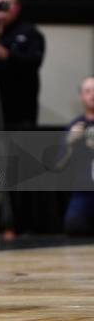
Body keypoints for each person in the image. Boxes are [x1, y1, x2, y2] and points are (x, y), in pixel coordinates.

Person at [0, 0, 45, 129]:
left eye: (6, 3)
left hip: (21, 104)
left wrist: (7, 55)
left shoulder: (29, 32)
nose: (1, 7)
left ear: (17, 6)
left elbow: (34, 61)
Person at [64, 76, 94, 235]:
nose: (92, 95)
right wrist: (69, 141)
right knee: (74, 224)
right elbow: (58, 164)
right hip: (84, 190)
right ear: (82, 96)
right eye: (88, 91)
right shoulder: (75, 126)